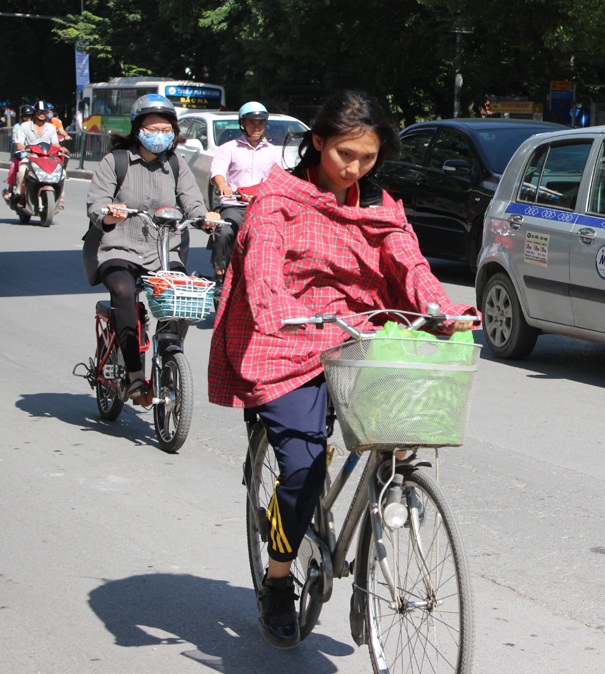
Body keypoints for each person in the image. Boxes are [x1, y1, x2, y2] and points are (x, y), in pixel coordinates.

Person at [207, 90, 477, 649]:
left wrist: (442, 310)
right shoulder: (278, 198)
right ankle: (279, 581)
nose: (354, 167)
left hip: (359, 335)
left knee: (405, 423)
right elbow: (262, 268)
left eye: (368, 158)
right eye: (344, 154)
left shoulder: (381, 204)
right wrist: (278, 310)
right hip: (288, 337)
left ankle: (383, 510)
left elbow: (410, 264)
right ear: (318, 143)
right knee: (303, 469)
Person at [86, 94, 220, 402]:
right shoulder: (115, 161)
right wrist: (108, 212)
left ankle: (170, 352)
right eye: (152, 128)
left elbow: (193, 204)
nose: (159, 135)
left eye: (165, 129)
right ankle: (134, 375)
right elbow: (96, 203)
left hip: (164, 253)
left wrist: (205, 218)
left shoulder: (176, 164)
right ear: (137, 129)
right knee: (122, 290)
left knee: (183, 296)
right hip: (119, 249)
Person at [207, 101, 283, 288]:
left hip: (262, 207)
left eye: (260, 123)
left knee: (277, 237)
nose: (256, 127)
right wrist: (222, 184)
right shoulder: (229, 148)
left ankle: (273, 278)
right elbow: (217, 171)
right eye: (251, 122)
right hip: (234, 206)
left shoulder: (273, 152)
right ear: (243, 124)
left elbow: (282, 177)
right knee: (224, 232)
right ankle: (219, 275)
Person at [11, 101, 61, 204]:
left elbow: (55, 143)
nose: (42, 114)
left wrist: (60, 148)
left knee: (62, 172)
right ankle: (19, 194)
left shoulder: (51, 128)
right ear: (35, 113)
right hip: (30, 156)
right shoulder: (25, 126)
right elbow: (20, 142)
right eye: (39, 112)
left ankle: (59, 197)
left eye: (44, 112)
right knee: (22, 170)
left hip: (46, 157)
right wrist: (21, 148)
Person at [3, 104, 34, 202]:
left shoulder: (36, 127)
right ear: (22, 117)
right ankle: (11, 189)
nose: (28, 118)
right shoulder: (17, 127)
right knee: (14, 167)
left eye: (30, 116)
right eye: (25, 116)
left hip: (35, 154)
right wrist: (24, 152)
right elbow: (17, 142)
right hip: (21, 154)